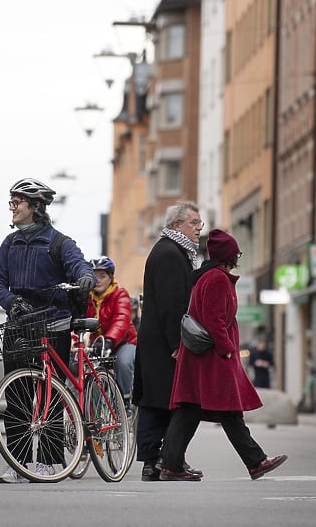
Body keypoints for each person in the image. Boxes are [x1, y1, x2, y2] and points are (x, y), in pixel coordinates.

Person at [0, 177, 96, 484]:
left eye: (17, 203)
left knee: (51, 394)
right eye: (11, 202)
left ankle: (49, 462)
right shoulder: (9, 243)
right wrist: (12, 302)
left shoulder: (60, 243)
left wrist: (86, 278)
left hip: (53, 324)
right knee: (17, 396)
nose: (12, 208)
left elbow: (80, 266)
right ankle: (18, 463)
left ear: (35, 207)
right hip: (19, 325)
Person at [159, 229, 287, 481]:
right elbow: (214, 320)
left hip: (201, 359)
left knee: (192, 410)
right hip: (212, 359)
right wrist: (228, 349)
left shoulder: (208, 277)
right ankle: (256, 461)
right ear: (230, 255)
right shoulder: (216, 278)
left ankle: (171, 465)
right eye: (236, 252)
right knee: (226, 411)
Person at [132, 200, 204, 481]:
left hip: (155, 340)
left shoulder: (170, 251)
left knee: (157, 401)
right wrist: (176, 343)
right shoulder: (171, 254)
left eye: (200, 223)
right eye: (194, 223)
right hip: (164, 342)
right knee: (168, 402)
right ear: (177, 225)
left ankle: (156, 463)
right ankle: (165, 461)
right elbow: (172, 304)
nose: (199, 228)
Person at [86, 256, 138, 408]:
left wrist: (109, 340)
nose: (98, 280)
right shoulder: (87, 297)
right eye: (94, 276)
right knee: (90, 371)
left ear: (111, 277)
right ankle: (95, 412)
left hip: (123, 342)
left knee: (123, 361)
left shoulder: (120, 293)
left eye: (102, 276)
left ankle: (125, 401)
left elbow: (121, 320)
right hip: (97, 345)